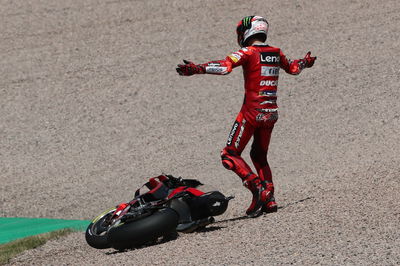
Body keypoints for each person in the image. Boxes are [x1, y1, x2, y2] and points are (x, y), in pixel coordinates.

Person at [176, 15, 316, 217]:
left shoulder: (248, 52)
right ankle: (270, 199)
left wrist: (196, 68)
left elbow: (225, 67)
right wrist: (306, 61)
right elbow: (294, 68)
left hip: (251, 112)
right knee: (259, 155)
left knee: (229, 154)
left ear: (246, 32)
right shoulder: (276, 53)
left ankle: (257, 187)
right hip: (271, 114)